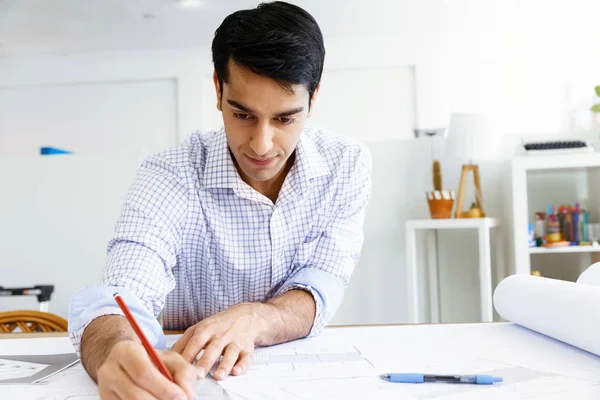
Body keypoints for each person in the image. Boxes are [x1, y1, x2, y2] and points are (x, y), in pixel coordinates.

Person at [68, 1, 372, 398]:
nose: (261, 145)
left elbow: (322, 284)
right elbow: (123, 292)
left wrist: (256, 319)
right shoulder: (170, 174)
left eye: (284, 118)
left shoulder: (346, 165)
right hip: (195, 382)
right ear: (218, 89)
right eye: (242, 114)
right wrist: (115, 350)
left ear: (313, 98)